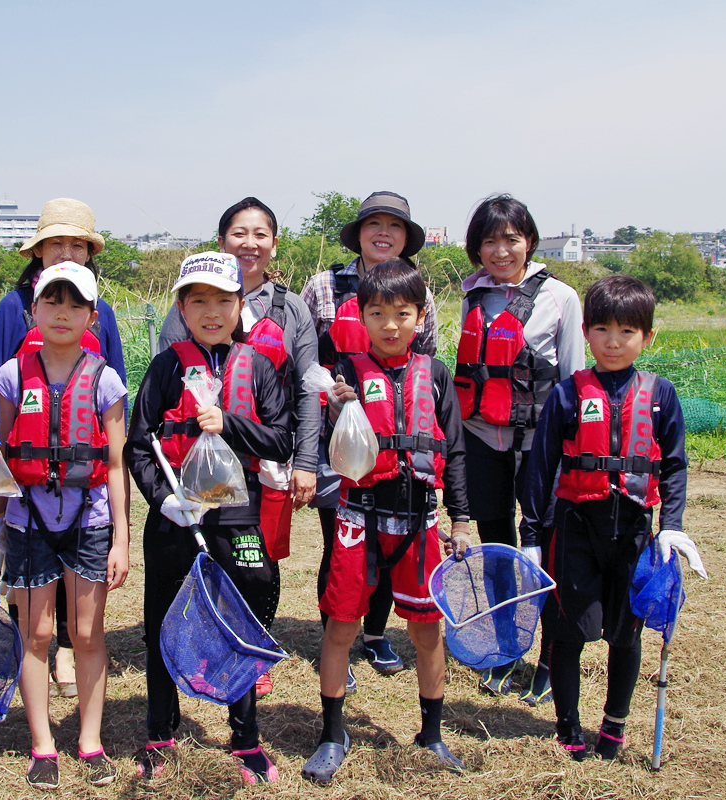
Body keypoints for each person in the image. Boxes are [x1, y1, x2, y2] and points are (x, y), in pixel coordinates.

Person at [519, 274, 704, 760]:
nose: (614, 342)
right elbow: (539, 467)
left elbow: (676, 465)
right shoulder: (567, 394)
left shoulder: (661, 395)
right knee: (566, 632)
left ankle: (614, 727)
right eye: (602, 330)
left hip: (635, 532)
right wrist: (532, 533)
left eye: (627, 331)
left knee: (627, 632)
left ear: (647, 336)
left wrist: (674, 526)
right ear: (586, 334)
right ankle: (568, 728)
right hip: (576, 527)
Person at [126, 252, 293, 785]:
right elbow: (139, 444)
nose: (212, 311)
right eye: (199, 300)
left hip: (236, 513)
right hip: (178, 513)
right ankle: (160, 732)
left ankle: (245, 738)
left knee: (243, 615)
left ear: (241, 305)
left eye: (224, 299)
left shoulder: (258, 365)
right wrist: (162, 498)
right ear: (182, 307)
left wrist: (229, 424)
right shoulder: (165, 366)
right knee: (163, 623)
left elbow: (281, 438)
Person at [302, 262, 472, 784]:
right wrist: (336, 409)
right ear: (362, 317)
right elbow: (336, 437)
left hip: (418, 520)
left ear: (420, 317)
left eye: (402, 314)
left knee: (426, 631)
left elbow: (457, 451)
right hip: (358, 519)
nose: (391, 325)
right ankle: (333, 734)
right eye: (378, 314)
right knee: (341, 626)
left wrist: (461, 520)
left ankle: (432, 733)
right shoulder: (347, 373)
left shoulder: (436, 375)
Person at [157, 197, 320, 698]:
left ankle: (253, 642)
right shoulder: (184, 308)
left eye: (261, 234)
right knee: (202, 553)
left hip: (263, 460)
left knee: (259, 561)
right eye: (238, 233)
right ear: (222, 239)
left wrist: (306, 461)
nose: (250, 243)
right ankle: (201, 641)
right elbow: (164, 384)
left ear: (273, 243)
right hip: (195, 462)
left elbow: (308, 388)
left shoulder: (290, 308)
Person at [0, 263, 130, 789]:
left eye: (75, 305)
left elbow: (115, 464)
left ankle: (89, 741)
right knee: (37, 634)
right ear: (33, 311)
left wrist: (121, 537)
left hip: (90, 517)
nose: (63, 313)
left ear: (92, 317)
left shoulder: (105, 379)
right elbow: (4, 455)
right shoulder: (11, 376)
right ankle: (42, 744)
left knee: (89, 633)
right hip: (27, 519)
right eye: (52, 302)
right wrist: (0, 527)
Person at [0, 197, 127, 700]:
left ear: (90, 252)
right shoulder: (11, 307)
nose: (66, 251)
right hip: (26, 467)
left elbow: (116, 390)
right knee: (30, 559)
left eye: (77, 244)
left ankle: (69, 646)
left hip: (83, 468)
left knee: (78, 564)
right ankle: (36, 647)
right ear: (38, 250)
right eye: (56, 243)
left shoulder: (101, 311)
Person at [300, 190, 438, 688]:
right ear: (358, 234)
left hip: (396, 446)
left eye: (395, 226)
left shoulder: (417, 290)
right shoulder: (323, 286)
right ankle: (337, 630)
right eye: (373, 224)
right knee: (343, 541)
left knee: (394, 532)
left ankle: (376, 634)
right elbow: (305, 356)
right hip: (336, 437)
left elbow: (427, 365)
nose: (384, 233)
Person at [453, 194, 584, 703]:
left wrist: (568, 450)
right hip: (484, 438)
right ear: (476, 248)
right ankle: (507, 648)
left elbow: (573, 380)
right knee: (497, 549)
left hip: (539, 447)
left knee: (546, 549)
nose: (501, 250)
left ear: (529, 241)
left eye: (511, 239)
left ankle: (551, 654)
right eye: (489, 241)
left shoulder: (561, 298)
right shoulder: (473, 297)